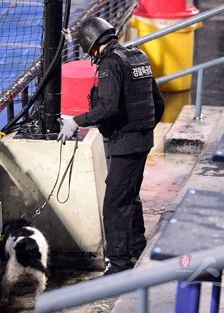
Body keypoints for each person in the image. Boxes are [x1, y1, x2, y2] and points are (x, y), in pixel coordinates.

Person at [57, 17, 164, 275]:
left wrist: (76, 121)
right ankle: (137, 246)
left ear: (92, 45)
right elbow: (158, 104)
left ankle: (119, 267)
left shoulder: (110, 64)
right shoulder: (137, 57)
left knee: (115, 205)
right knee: (129, 196)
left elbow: (108, 107)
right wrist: (142, 129)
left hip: (125, 143)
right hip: (142, 140)